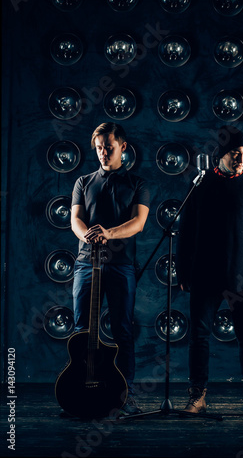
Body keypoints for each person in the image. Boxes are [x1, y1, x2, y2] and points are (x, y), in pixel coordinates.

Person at [176, 125, 243, 418]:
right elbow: (185, 232)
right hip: (205, 275)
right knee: (199, 338)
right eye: (235, 153)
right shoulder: (200, 184)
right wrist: (182, 271)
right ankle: (197, 397)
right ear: (221, 153)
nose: (241, 159)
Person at [70, 122, 150, 415]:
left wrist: (108, 233)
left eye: (109, 147)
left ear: (123, 147)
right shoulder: (83, 182)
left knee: (122, 331)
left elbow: (139, 223)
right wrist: (87, 236)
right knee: (81, 331)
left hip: (121, 266)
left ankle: (123, 397)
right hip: (85, 264)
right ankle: (78, 392)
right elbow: (75, 219)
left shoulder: (138, 184)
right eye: (99, 147)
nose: (103, 152)